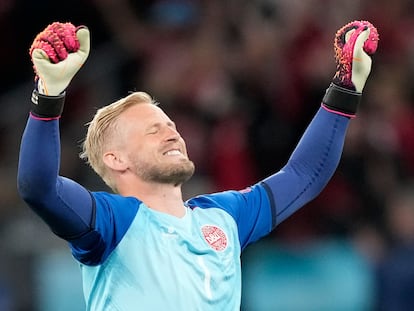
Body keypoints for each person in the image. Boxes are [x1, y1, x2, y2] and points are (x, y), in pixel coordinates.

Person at [17, 20, 378, 310]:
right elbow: (39, 187)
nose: (172, 134)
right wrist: (48, 95)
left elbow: (303, 175)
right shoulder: (112, 222)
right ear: (116, 159)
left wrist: (347, 86)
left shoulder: (223, 216)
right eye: (153, 130)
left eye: (171, 127)